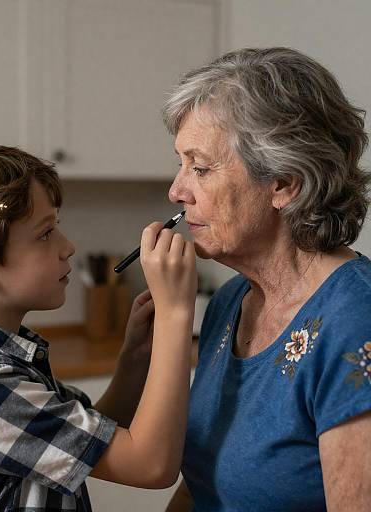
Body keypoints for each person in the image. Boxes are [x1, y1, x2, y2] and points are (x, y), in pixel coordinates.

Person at [0, 143, 197, 511]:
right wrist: (176, 315)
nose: (68, 247)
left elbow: (82, 440)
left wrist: (135, 360)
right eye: (45, 233)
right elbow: (151, 466)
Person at [161, 47, 371, 512]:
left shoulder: (357, 321)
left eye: (200, 168)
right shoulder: (230, 302)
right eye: (180, 164)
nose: (176, 192)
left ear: (284, 183)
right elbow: (201, 482)